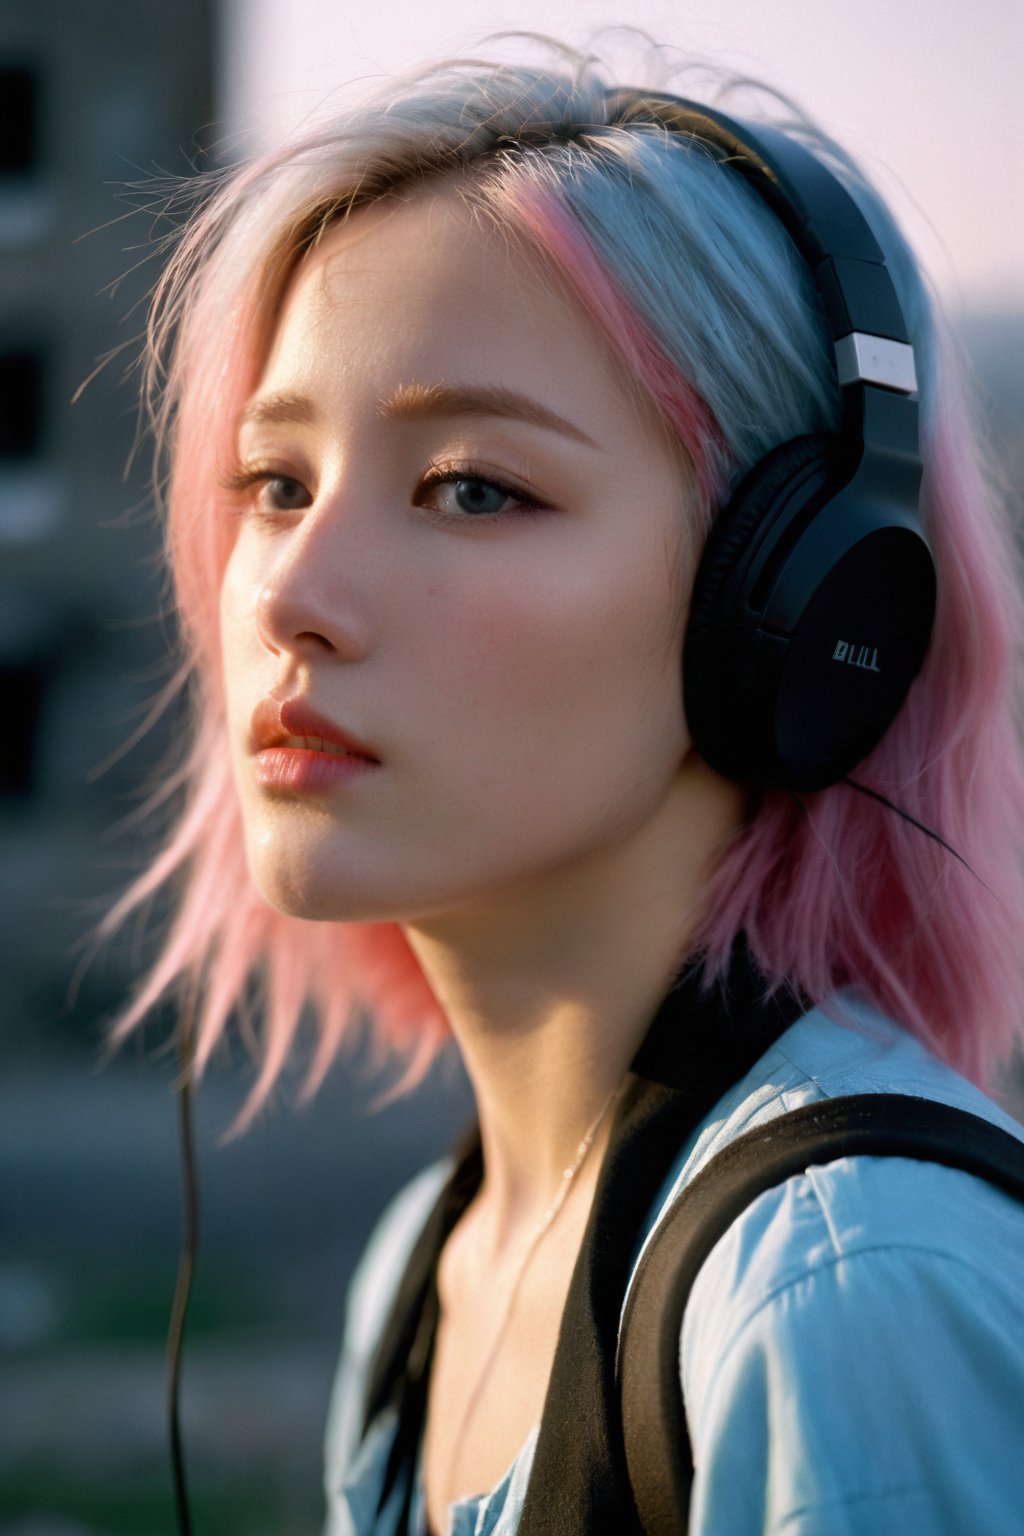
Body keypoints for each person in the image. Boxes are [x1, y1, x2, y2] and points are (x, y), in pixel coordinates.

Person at [102, 32, 1024, 1536]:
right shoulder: (429, 1261)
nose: (290, 596)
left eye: (474, 487)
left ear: (800, 604)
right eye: (277, 484)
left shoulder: (843, 1289)